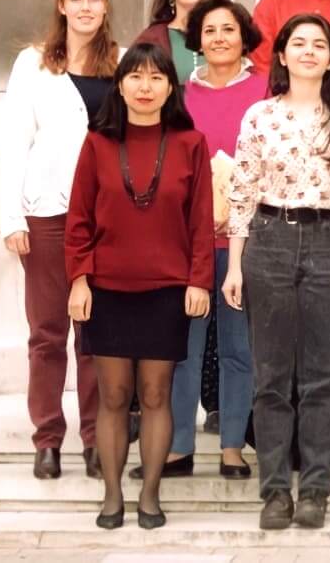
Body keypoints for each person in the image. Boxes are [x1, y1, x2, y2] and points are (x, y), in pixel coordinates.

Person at [223, 13, 330, 532]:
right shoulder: (259, 116)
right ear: (283, 55)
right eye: (299, 43)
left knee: (321, 378)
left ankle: (314, 489)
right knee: (271, 377)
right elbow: (241, 192)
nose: (309, 51)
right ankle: (274, 491)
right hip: (269, 240)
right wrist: (235, 266)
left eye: (319, 44)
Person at [64, 44, 214, 530]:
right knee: (113, 395)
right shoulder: (97, 143)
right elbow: (79, 219)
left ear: (171, 87)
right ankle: (111, 496)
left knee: (155, 394)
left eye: (156, 78)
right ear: (120, 85)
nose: (145, 87)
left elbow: (199, 222)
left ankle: (149, 496)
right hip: (106, 287)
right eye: (135, 77)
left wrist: (199, 281)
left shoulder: (191, 142)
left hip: (166, 289)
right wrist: (79, 279)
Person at [0, 0, 119, 483]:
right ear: (63, 5)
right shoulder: (33, 64)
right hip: (46, 213)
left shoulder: (120, 64)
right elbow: (12, 141)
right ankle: (48, 438)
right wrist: (9, 216)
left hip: (107, 220)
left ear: (106, 7)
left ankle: (96, 439)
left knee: (96, 334)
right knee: (48, 332)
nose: (86, 6)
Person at [146, 0, 268, 481]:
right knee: (184, 346)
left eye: (229, 30)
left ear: (244, 38)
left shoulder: (264, 90)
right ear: (196, 40)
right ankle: (178, 446)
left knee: (240, 347)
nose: (219, 38)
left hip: (247, 240)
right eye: (210, 31)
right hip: (186, 242)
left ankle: (233, 446)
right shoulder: (179, 95)